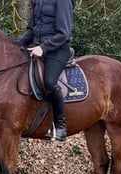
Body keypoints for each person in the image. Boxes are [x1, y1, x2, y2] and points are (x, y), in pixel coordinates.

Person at [17, 0, 76, 141]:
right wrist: (16, 44)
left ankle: (61, 126)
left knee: (49, 82)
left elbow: (64, 34)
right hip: (37, 47)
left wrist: (43, 48)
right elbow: (32, 30)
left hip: (58, 49)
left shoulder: (63, 2)